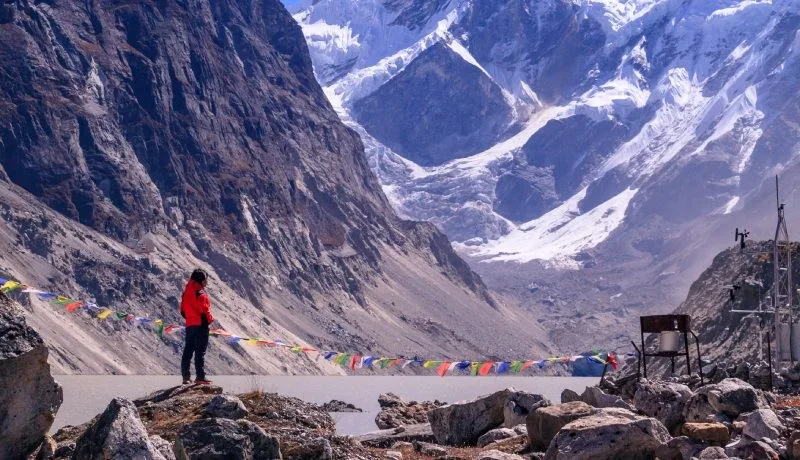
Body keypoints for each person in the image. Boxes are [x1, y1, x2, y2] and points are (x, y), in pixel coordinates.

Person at [180, 269, 214, 384]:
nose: (206, 282)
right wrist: (210, 320)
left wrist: (190, 318)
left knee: (188, 351)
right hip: (201, 324)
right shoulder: (200, 292)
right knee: (200, 352)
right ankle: (200, 376)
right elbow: (204, 310)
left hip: (190, 325)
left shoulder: (186, 292)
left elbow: (182, 311)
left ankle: (186, 377)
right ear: (201, 280)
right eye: (205, 280)